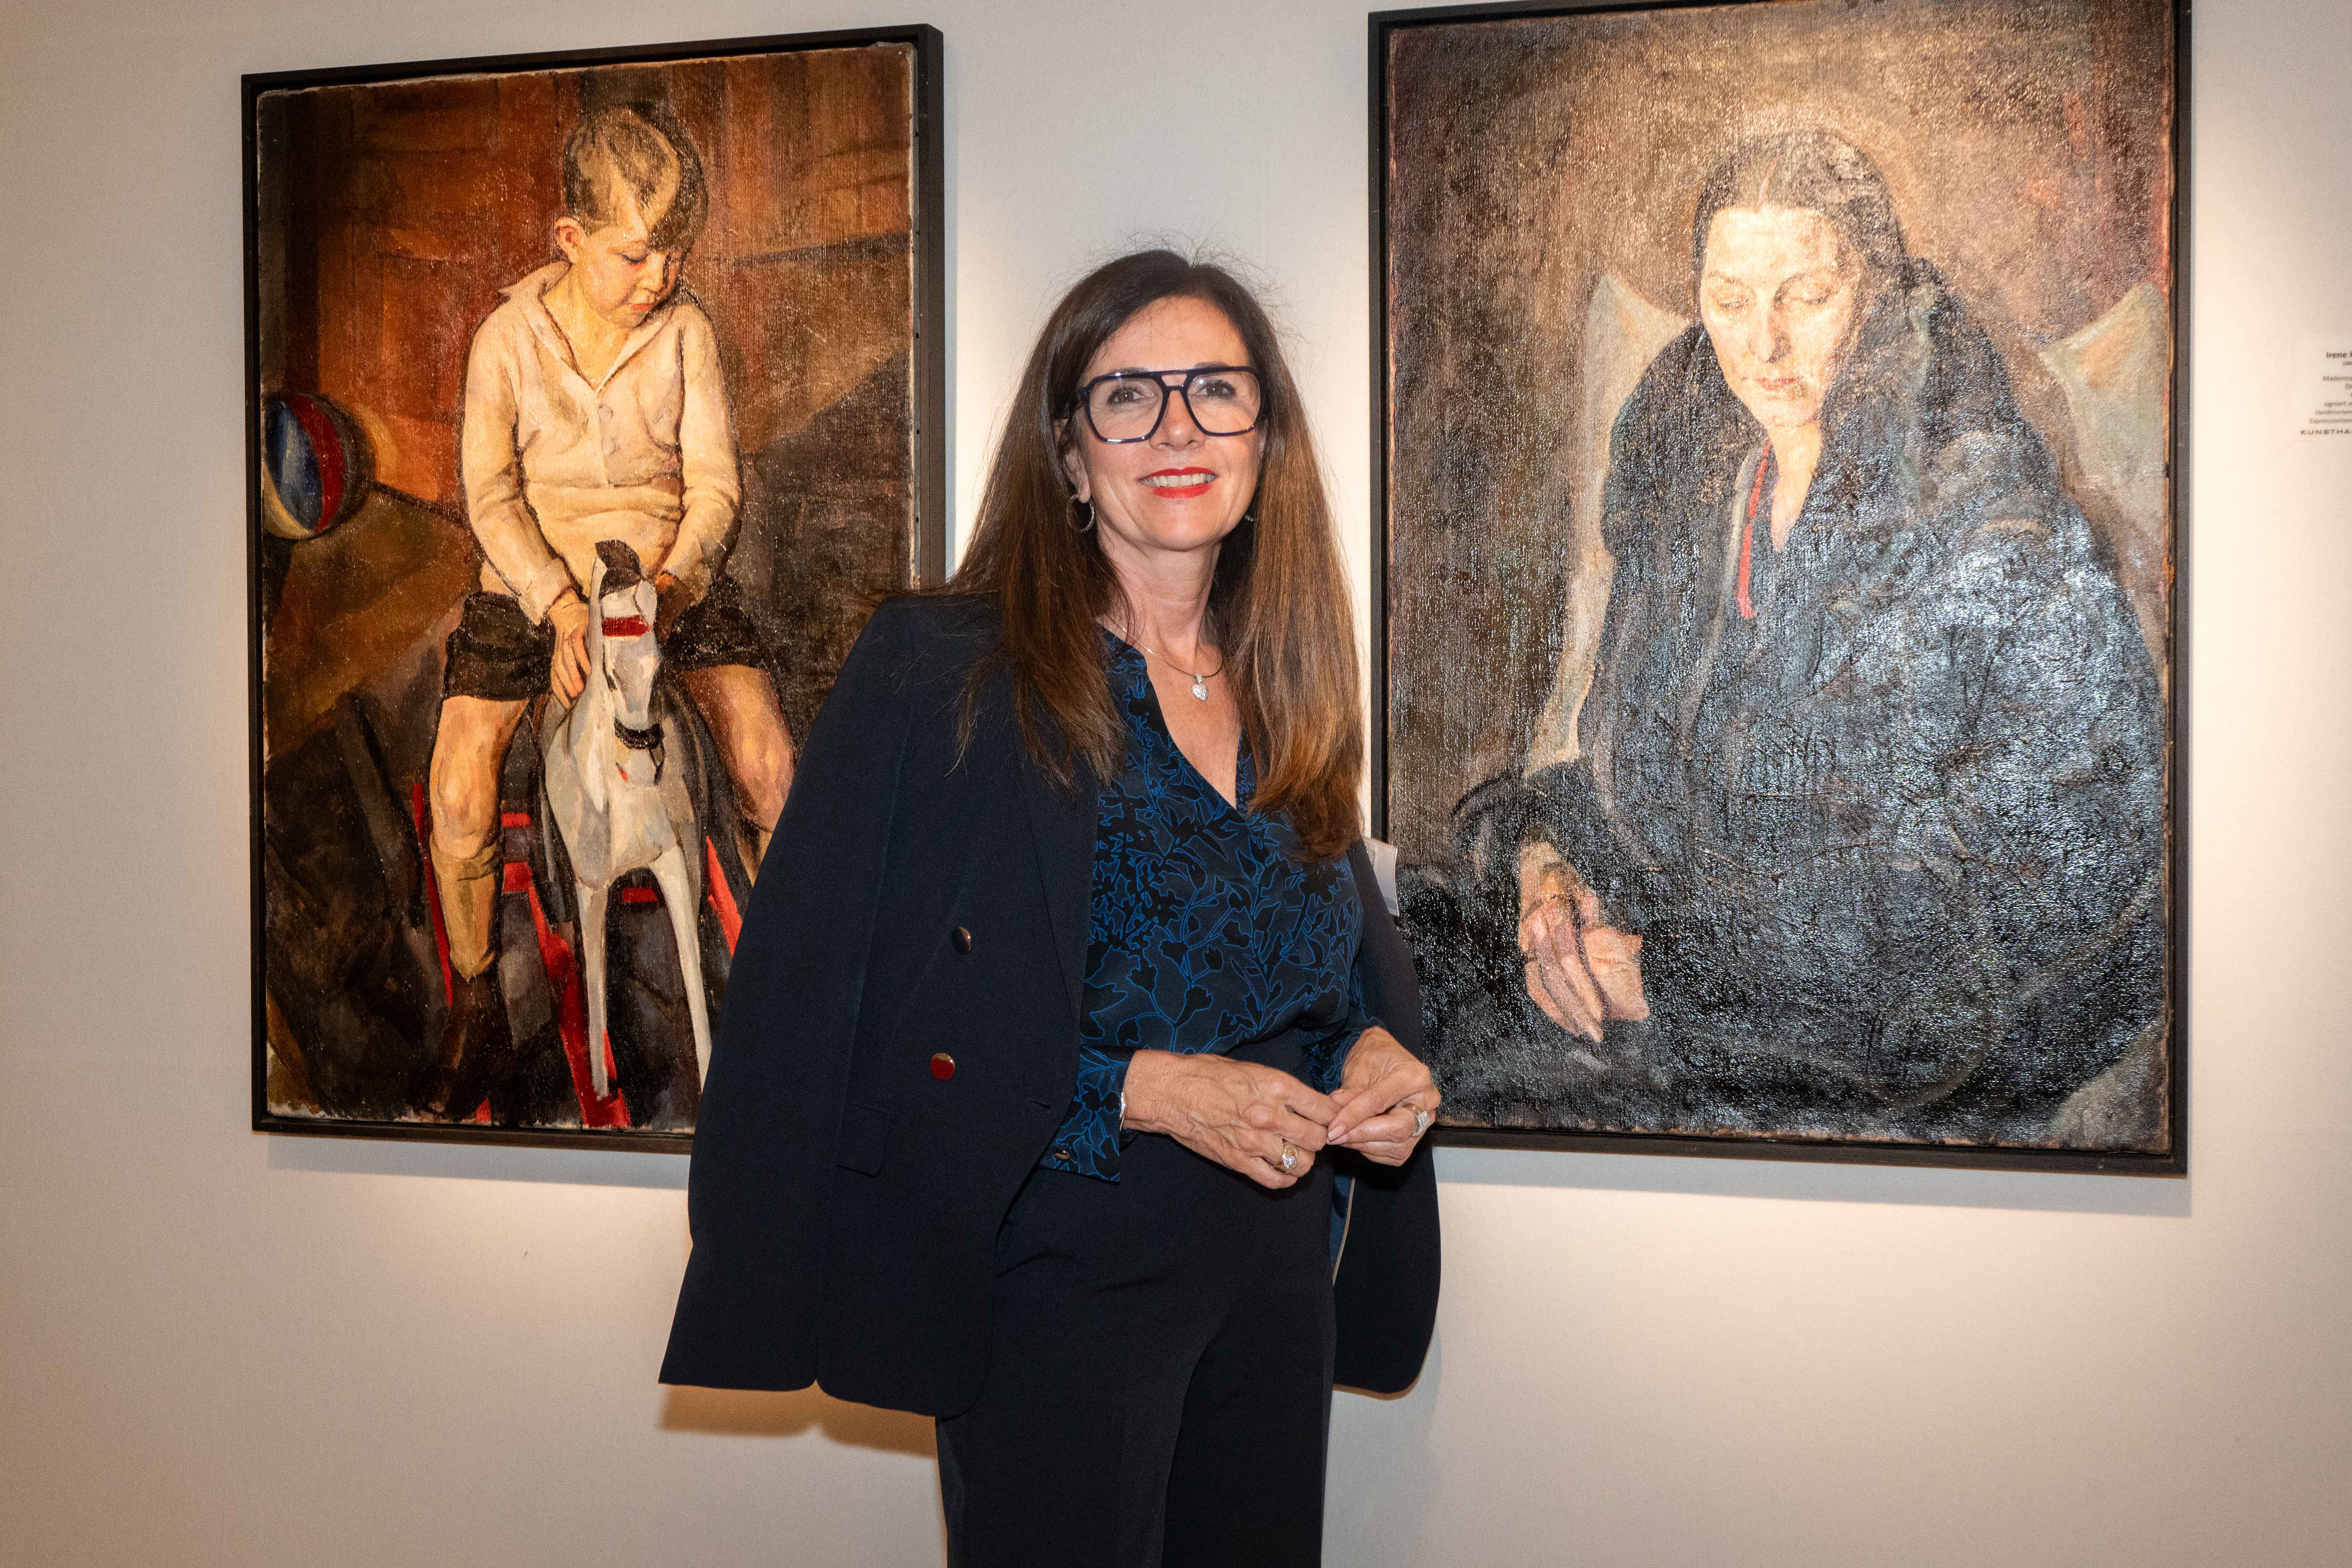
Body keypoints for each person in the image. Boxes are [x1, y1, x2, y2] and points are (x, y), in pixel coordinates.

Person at [662, 250, 1443, 1564]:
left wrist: (1368, 1051)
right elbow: (845, 1020)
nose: (1180, 428)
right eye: (1128, 397)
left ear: (1265, 442)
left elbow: (1316, 975)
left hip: (1277, 1267)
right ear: (1071, 457)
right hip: (1059, 1264)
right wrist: (1146, 1090)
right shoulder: (946, 674)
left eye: (1217, 391)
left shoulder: (1290, 680)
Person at [1422, 128, 2166, 1142]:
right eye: (1729, 300)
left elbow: (2018, 890)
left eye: (1807, 296)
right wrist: (1543, 857)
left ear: (1878, 295)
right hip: (1683, 1011)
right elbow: (1654, 791)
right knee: (1422, 973)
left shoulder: (1996, 532)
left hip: (1904, 1067)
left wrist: (1676, 983)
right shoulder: (1702, 504)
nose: (1763, 344)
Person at [417, 101, 796, 1119]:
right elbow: (490, 495)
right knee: (459, 789)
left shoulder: (687, 334)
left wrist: (669, 588)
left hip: (670, 584)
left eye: (674, 254)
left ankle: (781, 998)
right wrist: (554, 605)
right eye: (635, 255)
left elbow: (715, 490)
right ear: (571, 239)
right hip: (530, 591)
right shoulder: (507, 339)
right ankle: (477, 1009)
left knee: (770, 767)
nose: (659, 276)